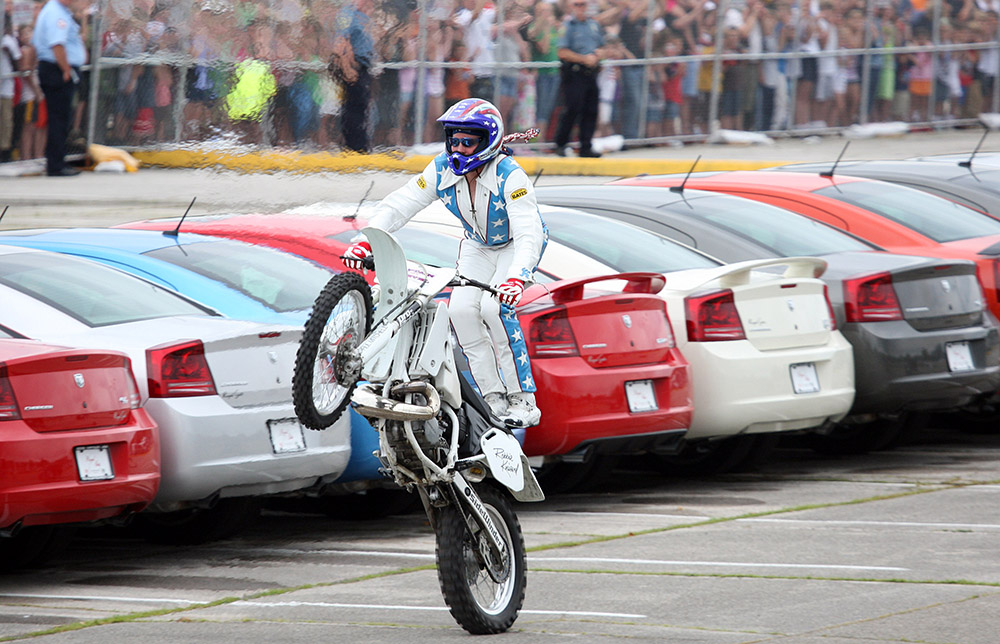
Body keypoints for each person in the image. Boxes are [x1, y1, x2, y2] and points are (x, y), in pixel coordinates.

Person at [343, 98, 547, 427]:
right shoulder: (440, 168)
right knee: (461, 311)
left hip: (514, 246)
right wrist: (368, 237)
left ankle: (524, 399)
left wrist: (517, 277)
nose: (460, 148)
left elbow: (529, 233)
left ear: (488, 142)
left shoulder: (511, 176)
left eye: (469, 142)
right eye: (455, 140)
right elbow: (401, 204)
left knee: (494, 310)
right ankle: (494, 395)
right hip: (478, 245)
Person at [32, 0, 87, 176]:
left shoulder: (57, 10)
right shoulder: (56, 12)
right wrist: (66, 70)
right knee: (59, 118)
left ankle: (57, 160)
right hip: (57, 70)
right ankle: (56, 165)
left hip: (56, 68)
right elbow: (57, 44)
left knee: (60, 117)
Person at [554, 0, 609, 158]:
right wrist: (584, 58)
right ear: (571, 7)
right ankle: (561, 143)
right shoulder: (568, 26)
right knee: (572, 108)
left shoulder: (593, 25)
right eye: (577, 4)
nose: (580, 8)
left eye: (583, 4)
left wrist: (600, 54)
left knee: (591, 110)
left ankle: (586, 146)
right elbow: (562, 52)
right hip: (574, 72)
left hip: (591, 72)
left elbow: (602, 46)